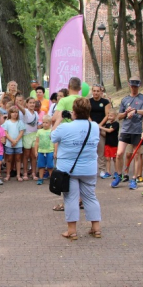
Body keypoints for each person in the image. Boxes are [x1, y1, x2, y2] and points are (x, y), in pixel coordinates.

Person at [51, 97, 101, 240]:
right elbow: (89, 123)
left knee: (71, 199)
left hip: (68, 170)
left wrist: (59, 119)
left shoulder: (65, 127)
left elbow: (52, 136)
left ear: (74, 112)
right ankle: (96, 228)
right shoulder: (95, 127)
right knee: (90, 197)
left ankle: (72, 231)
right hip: (89, 168)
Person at [111, 76, 143, 189]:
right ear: (129, 85)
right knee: (119, 153)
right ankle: (119, 175)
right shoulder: (125, 100)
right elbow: (119, 116)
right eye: (132, 86)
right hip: (126, 130)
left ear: (139, 86)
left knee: (137, 155)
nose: (134, 88)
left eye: (136, 86)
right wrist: (126, 113)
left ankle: (134, 178)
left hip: (138, 130)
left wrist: (136, 111)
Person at [89, 84, 111, 178]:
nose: (96, 93)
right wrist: (93, 124)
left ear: (101, 92)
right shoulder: (88, 101)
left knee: (101, 150)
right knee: (90, 150)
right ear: (92, 91)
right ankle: (90, 170)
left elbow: (107, 115)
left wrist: (99, 125)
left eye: (98, 91)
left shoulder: (105, 102)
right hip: (91, 127)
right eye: (94, 91)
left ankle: (102, 169)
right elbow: (87, 114)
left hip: (101, 128)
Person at [2, 106, 25, 181]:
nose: (15, 114)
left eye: (16, 112)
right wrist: (12, 141)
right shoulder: (7, 122)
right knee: (9, 159)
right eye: (13, 112)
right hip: (9, 144)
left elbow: (21, 132)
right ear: (10, 113)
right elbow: (5, 132)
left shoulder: (20, 122)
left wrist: (16, 141)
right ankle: (8, 174)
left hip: (18, 144)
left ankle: (18, 174)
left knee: (18, 159)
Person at [34, 115, 55, 185]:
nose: (45, 124)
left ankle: (52, 179)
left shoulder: (52, 131)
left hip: (50, 151)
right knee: (41, 166)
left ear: (50, 123)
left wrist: (55, 152)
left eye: (47, 122)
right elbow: (36, 142)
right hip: (41, 151)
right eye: (43, 122)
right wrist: (35, 151)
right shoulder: (39, 131)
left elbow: (55, 142)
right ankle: (40, 178)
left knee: (50, 166)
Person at [101, 110, 119, 181]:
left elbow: (110, 131)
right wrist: (100, 132)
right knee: (107, 159)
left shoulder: (116, 124)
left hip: (114, 144)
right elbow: (106, 134)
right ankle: (108, 172)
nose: (109, 117)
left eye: (111, 116)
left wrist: (100, 127)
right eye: (108, 116)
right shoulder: (107, 125)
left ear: (115, 116)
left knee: (115, 159)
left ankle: (117, 172)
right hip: (107, 144)